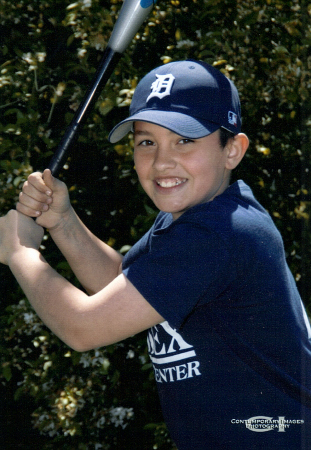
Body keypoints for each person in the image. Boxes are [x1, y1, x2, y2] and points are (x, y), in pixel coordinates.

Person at [0, 59, 311, 449]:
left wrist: (20, 253)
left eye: (186, 140)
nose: (162, 161)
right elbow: (123, 289)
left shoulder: (217, 233)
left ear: (233, 150)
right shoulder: (190, 219)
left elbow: (84, 328)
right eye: (147, 141)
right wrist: (62, 222)